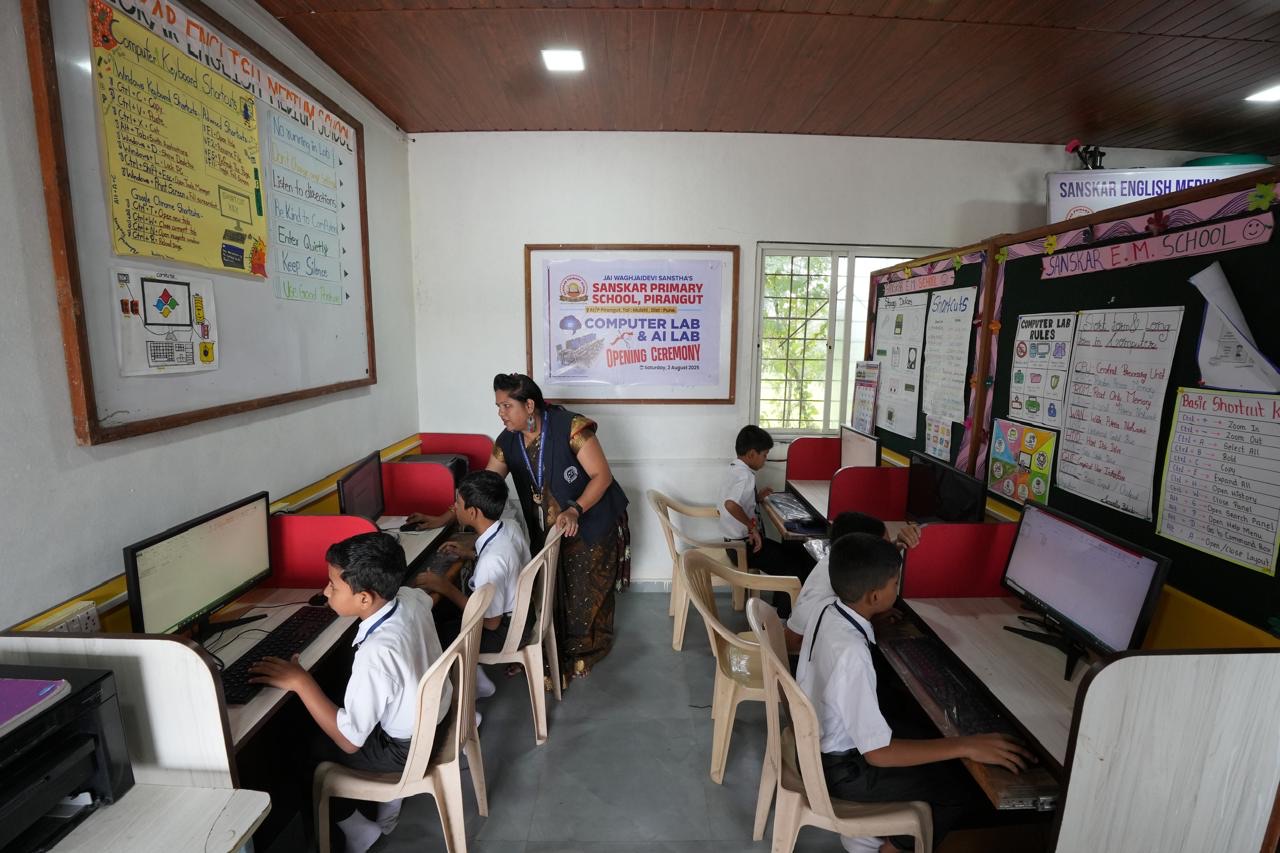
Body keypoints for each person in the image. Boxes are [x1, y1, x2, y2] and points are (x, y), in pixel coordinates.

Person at [797, 533, 1032, 853]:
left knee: (924, 732)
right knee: (959, 788)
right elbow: (877, 754)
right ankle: (891, 847)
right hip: (846, 772)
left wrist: (874, 627)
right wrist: (966, 745)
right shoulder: (852, 654)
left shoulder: (829, 610)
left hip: (821, 747)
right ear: (875, 596)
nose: (899, 589)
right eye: (896, 583)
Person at [412, 373, 630, 685]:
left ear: (529, 405)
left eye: (506, 405)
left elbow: (602, 476)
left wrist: (574, 509)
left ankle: (583, 654)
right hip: (551, 527)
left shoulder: (571, 427)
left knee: (586, 593)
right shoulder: (507, 441)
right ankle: (547, 652)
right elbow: (482, 489)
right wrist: (444, 518)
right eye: (498, 406)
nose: (501, 413)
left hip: (591, 519)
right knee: (555, 591)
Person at [249, 532, 449, 853]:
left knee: (300, 748)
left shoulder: (375, 652)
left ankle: (358, 830)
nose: (325, 591)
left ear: (365, 599)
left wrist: (301, 682)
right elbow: (426, 598)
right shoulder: (409, 598)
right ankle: (383, 807)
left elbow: (350, 742)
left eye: (334, 586)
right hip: (435, 719)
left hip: (404, 751)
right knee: (335, 694)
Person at [417, 470, 530, 698]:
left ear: (473, 512)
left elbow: (490, 623)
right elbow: (506, 564)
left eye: (457, 503)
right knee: (445, 609)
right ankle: (477, 679)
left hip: (505, 631)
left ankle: (466, 692)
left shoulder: (491, 562)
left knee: (435, 631)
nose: (454, 507)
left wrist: (444, 586)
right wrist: (471, 554)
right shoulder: (509, 527)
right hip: (524, 613)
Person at [785, 511, 920, 653]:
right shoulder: (822, 589)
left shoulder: (842, 561)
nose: (890, 549)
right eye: (885, 545)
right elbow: (791, 643)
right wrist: (869, 624)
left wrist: (898, 543)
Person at [719, 425, 812, 615]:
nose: (765, 460)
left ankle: (780, 604)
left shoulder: (734, 469)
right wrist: (752, 527)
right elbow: (730, 505)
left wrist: (757, 498)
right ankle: (783, 618)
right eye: (764, 455)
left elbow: (736, 502)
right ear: (752, 454)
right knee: (795, 567)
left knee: (791, 552)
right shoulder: (745, 477)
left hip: (734, 544)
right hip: (744, 549)